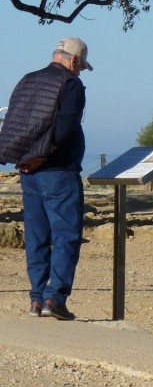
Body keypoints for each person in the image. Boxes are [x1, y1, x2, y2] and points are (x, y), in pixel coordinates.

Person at [0, 38, 92, 321]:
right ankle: (55, 298)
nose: (79, 72)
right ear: (74, 61)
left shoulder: (27, 80)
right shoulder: (71, 84)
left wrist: (24, 158)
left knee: (37, 236)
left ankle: (37, 300)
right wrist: (43, 155)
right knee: (66, 235)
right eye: (80, 67)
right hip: (59, 172)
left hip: (28, 172)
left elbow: (14, 122)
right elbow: (65, 127)